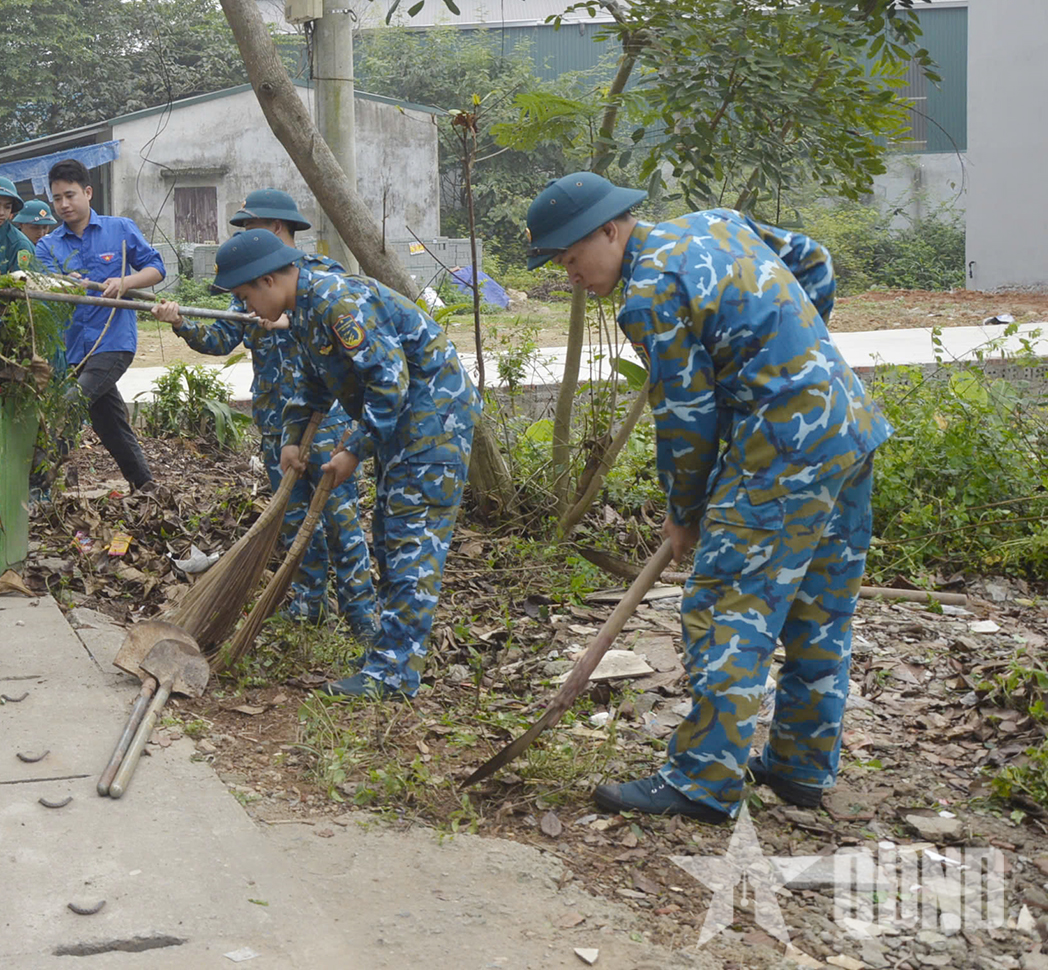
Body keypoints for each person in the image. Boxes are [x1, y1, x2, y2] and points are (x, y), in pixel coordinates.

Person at [522, 173, 890, 823]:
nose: (570, 275)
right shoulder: (716, 221)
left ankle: (702, 778)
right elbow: (813, 261)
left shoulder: (646, 293)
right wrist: (799, 353)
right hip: (847, 426)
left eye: (572, 258)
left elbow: (687, 419)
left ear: (610, 229)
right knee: (820, 604)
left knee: (725, 603)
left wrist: (684, 512)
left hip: (782, 444)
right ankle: (802, 765)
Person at [212, 228, 478, 699]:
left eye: (245, 296)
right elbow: (315, 382)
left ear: (270, 280)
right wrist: (293, 440)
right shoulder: (307, 308)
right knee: (390, 536)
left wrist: (352, 449)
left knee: (409, 537)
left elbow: (388, 381)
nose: (247, 310)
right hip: (408, 422)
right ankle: (388, 658)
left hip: (434, 417)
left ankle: (393, 675)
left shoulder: (336, 301)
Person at [152, 190, 379, 635]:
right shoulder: (247, 291)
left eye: (249, 231)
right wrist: (180, 323)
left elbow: (348, 329)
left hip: (328, 420)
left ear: (277, 229)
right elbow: (219, 340)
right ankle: (311, 604)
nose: (243, 243)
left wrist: (288, 320)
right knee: (293, 521)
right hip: (278, 425)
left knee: (340, 520)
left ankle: (362, 616)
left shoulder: (320, 278)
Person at [33, 159, 161, 491]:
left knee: (71, 403)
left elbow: (156, 268)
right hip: (75, 348)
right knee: (108, 422)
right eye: (57, 198)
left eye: (70, 195)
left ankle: (36, 482)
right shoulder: (47, 246)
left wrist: (125, 281)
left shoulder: (120, 229)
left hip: (114, 342)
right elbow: (47, 286)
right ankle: (146, 486)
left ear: (88, 193)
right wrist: (65, 284)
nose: (63, 204)